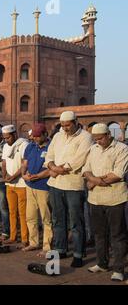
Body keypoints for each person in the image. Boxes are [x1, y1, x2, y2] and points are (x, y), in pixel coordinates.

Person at [44, 111, 94, 268]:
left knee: (75, 221)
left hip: (73, 184)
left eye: (68, 125)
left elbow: (79, 159)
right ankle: (60, 248)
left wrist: (60, 169)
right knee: (58, 219)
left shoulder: (85, 137)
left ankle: (79, 253)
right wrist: (52, 166)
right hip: (55, 184)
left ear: (76, 122)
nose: (65, 128)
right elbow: (49, 155)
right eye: (63, 125)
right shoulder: (58, 136)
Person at [83, 123, 128, 282]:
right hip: (95, 199)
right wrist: (94, 179)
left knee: (117, 235)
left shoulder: (121, 149)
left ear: (109, 134)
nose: (98, 141)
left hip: (115, 198)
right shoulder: (93, 148)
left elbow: (118, 174)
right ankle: (102, 263)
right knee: (99, 234)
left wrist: (94, 181)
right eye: (95, 139)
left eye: (100, 138)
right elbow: (86, 170)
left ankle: (118, 269)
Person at [21, 123, 53, 256]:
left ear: (45, 134)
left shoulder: (51, 147)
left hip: (43, 186)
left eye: (38, 136)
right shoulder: (30, 146)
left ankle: (47, 246)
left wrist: (37, 176)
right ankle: (33, 242)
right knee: (30, 216)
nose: (35, 139)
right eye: (33, 136)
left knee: (46, 217)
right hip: (30, 186)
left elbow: (51, 168)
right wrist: (24, 174)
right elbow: (24, 163)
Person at [2, 125, 29, 247]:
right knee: (12, 212)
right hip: (9, 184)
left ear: (14, 134)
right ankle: (13, 236)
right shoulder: (5, 146)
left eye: (8, 138)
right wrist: (4, 175)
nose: (6, 140)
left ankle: (24, 238)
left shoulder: (23, 144)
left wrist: (14, 176)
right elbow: (4, 162)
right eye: (5, 138)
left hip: (21, 184)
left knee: (22, 213)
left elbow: (24, 164)